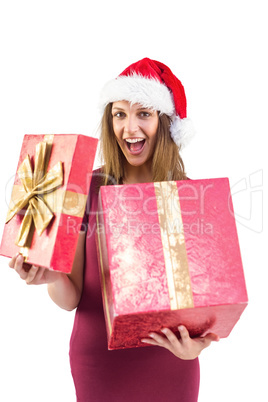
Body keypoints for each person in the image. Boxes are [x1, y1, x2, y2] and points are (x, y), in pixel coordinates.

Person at [9, 58, 219, 402]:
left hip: (170, 367)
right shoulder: (82, 189)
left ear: (166, 124)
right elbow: (71, 297)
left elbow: (206, 311)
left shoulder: (192, 199)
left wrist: (194, 349)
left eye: (144, 114)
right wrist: (52, 276)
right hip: (98, 364)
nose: (129, 127)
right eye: (119, 114)